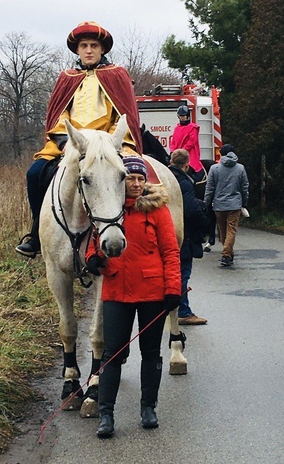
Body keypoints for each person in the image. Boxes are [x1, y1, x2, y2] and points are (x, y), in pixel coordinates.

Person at [16, 21, 143, 258]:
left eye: (93, 45)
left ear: (102, 49)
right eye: (84, 45)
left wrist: (113, 141)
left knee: (139, 176)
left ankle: (137, 236)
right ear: (77, 49)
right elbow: (59, 112)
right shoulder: (67, 78)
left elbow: (124, 115)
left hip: (108, 142)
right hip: (72, 142)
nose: (88, 50)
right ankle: (36, 233)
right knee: (35, 174)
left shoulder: (117, 75)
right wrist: (65, 140)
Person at [85, 156, 181, 438]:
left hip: (152, 292)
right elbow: (94, 243)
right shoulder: (109, 210)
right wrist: (92, 259)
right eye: (131, 178)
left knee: (151, 354)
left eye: (140, 179)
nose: (136, 184)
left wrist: (173, 289)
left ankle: (148, 408)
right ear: (122, 181)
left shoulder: (158, 210)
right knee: (111, 355)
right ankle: (106, 414)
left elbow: (171, 252)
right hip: (117, 290)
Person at [169, 149, 209, 325]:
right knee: (182, 274)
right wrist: (205, 224)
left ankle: (170, 309)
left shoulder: (166, 177)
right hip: (184, 234)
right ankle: (183, 311)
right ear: (187, 164)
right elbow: (190, 209)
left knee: (172, 273)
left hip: (168, 232)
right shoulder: (184, 182)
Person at [204, 144, 249, 267]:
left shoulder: (214, 169)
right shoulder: (240, 168)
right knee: (231, 230)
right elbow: (244, 187)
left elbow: (209, 188)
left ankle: (227, 253)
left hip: (219, 204)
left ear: (221, 154)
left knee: (223, 230)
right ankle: (226, 254)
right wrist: (244, 202)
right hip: (234, 204)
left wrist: (206, 202)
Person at [169, 105, 205, 183]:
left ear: (187, 116)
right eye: (181, 116)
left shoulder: (193, 127)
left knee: (194, 170)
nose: (182, 118)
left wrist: (181, 152)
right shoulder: (177, 128)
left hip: (190, 155)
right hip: (177, 155)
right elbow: (173, 142)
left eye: (184, 116)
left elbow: (191, 142)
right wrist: (172, 152)